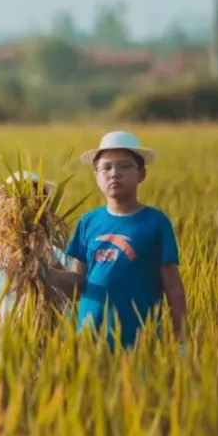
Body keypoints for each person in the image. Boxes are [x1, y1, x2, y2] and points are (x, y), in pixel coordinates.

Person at [44, 131, 187, 350]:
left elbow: (174, 287)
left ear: (141, 174)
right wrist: (44, 272)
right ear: (96, 176)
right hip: (89, 341)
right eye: (106, 168)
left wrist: (182, 340)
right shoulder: (88, 222)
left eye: (125, 166)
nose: (114, 174)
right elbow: (77, 284)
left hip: (138, 340)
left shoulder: (156, 222)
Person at [0, 172, 73, 321]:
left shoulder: (55, 246)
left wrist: (47, 261)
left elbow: (72, 287)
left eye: (36, 199)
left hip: (54, 326)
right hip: (11, 327)